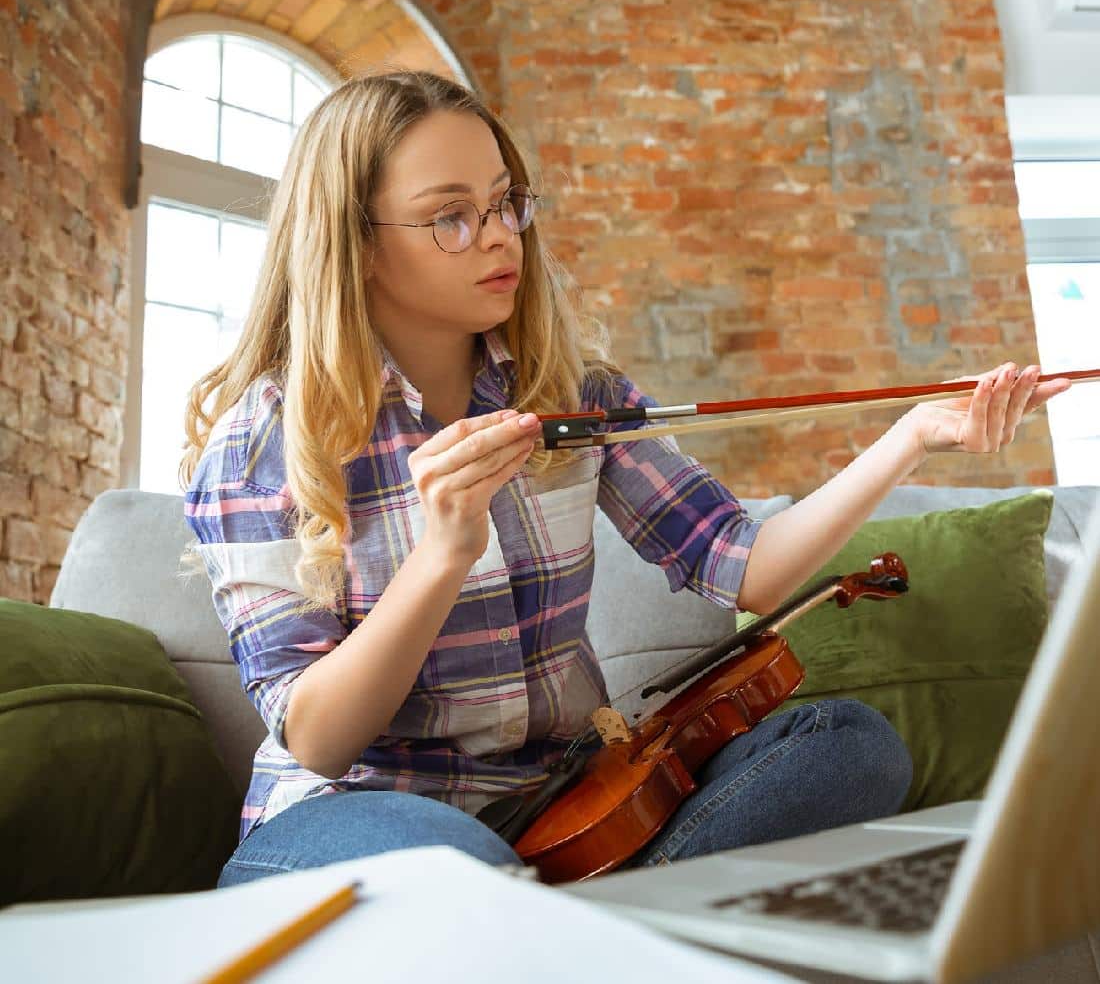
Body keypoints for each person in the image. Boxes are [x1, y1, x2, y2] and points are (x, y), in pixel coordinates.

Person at [180, 70, 1070, 889]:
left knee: (848, 746)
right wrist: (444, 552)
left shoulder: (574, 395)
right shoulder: (264, 444)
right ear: (356, 242)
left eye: (505, 203)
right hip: (350, 816)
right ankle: (588, 918)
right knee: (462, 867)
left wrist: (911, 437)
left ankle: (560, 922)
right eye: (450, 215)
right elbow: (321, 739)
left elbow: (743, 563)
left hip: (565, 805)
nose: (496, 236)